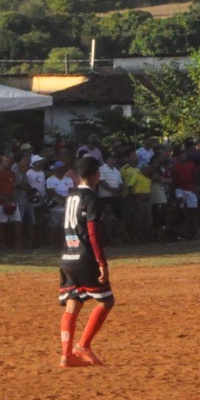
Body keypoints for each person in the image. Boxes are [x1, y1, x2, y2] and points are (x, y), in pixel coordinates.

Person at [57, 156, 115, 367]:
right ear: (95, 175)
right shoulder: (91, 199)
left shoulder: (71, 196)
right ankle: (83, 345)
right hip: (85, 257)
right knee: (106, 301)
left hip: (67, 256)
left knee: (73, 301)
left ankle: (66, 355)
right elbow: (92, 232)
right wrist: (102, 262)